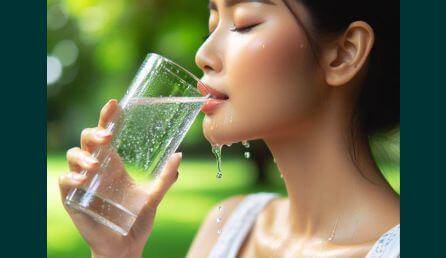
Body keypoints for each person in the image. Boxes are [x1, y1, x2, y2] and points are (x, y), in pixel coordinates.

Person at [59, 0, 400, 257]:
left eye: (244, 24)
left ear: (344, 53)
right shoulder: (230, 228)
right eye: (212, 23)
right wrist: (115, 252)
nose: (203, 54)